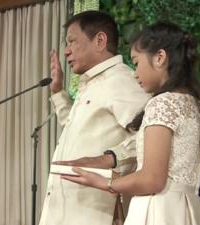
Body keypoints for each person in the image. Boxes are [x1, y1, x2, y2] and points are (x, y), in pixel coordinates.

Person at [60, 22, 200, 225]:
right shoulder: (196, 106)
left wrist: (105, 182)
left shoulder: (162, 103)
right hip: (188, 209)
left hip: (158, 211)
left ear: (159, 58)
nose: (135, 73)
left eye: (137, 62)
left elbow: (152, 179)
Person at [39, 11, 150, 225]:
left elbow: (150, 137)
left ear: (100, 40)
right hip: (66, 210)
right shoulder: (92, 83)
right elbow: (77, 131)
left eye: (72, 41)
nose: (66, 51)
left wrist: (112, 157)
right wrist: (57, 92)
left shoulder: (121, 80)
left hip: (94, 213)